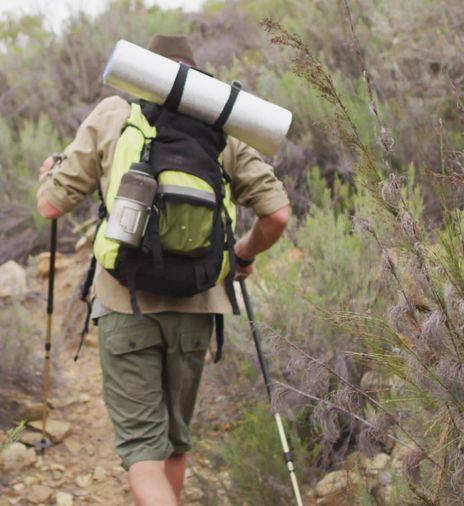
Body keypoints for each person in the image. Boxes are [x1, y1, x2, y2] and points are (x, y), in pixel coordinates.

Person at [36, 35, 291, 506]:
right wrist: (242, 256)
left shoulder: (113, 116)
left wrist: (49, 176)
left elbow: (51, 206)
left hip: (124, 302)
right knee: (175, 442)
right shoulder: (224, 129)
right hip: (197, 306)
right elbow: (276, 215)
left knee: (141, 452)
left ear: (146, 74)